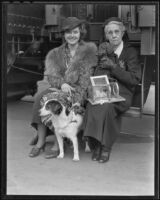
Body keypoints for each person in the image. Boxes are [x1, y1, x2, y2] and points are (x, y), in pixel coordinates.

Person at [29, 17, 98, 158]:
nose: (71, 35)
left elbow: (87, 78)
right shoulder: (55, 53)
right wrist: (62, 84)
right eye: (68, 32)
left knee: (57, 100)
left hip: (81, 90)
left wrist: (76, 94)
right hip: (60, 87)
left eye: (75, 32)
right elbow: (52, 75)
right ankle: (41, 142)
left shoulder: (89, 51)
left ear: (81, 33)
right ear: (63, 34)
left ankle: (57, 143)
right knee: (40, 98)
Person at [83, 17, 141, 163]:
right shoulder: (102, 50)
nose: (114, 35)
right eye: (110, 33)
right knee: (92, 104)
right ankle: (95, 144)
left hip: (122, 93)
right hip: (102, 91)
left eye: (116, 31)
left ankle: (106, 146)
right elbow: (94, 72)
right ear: (106, 35)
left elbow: (134, 79)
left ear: (122, 33)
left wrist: (114, 68)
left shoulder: (130, 52)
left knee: (107, 107)